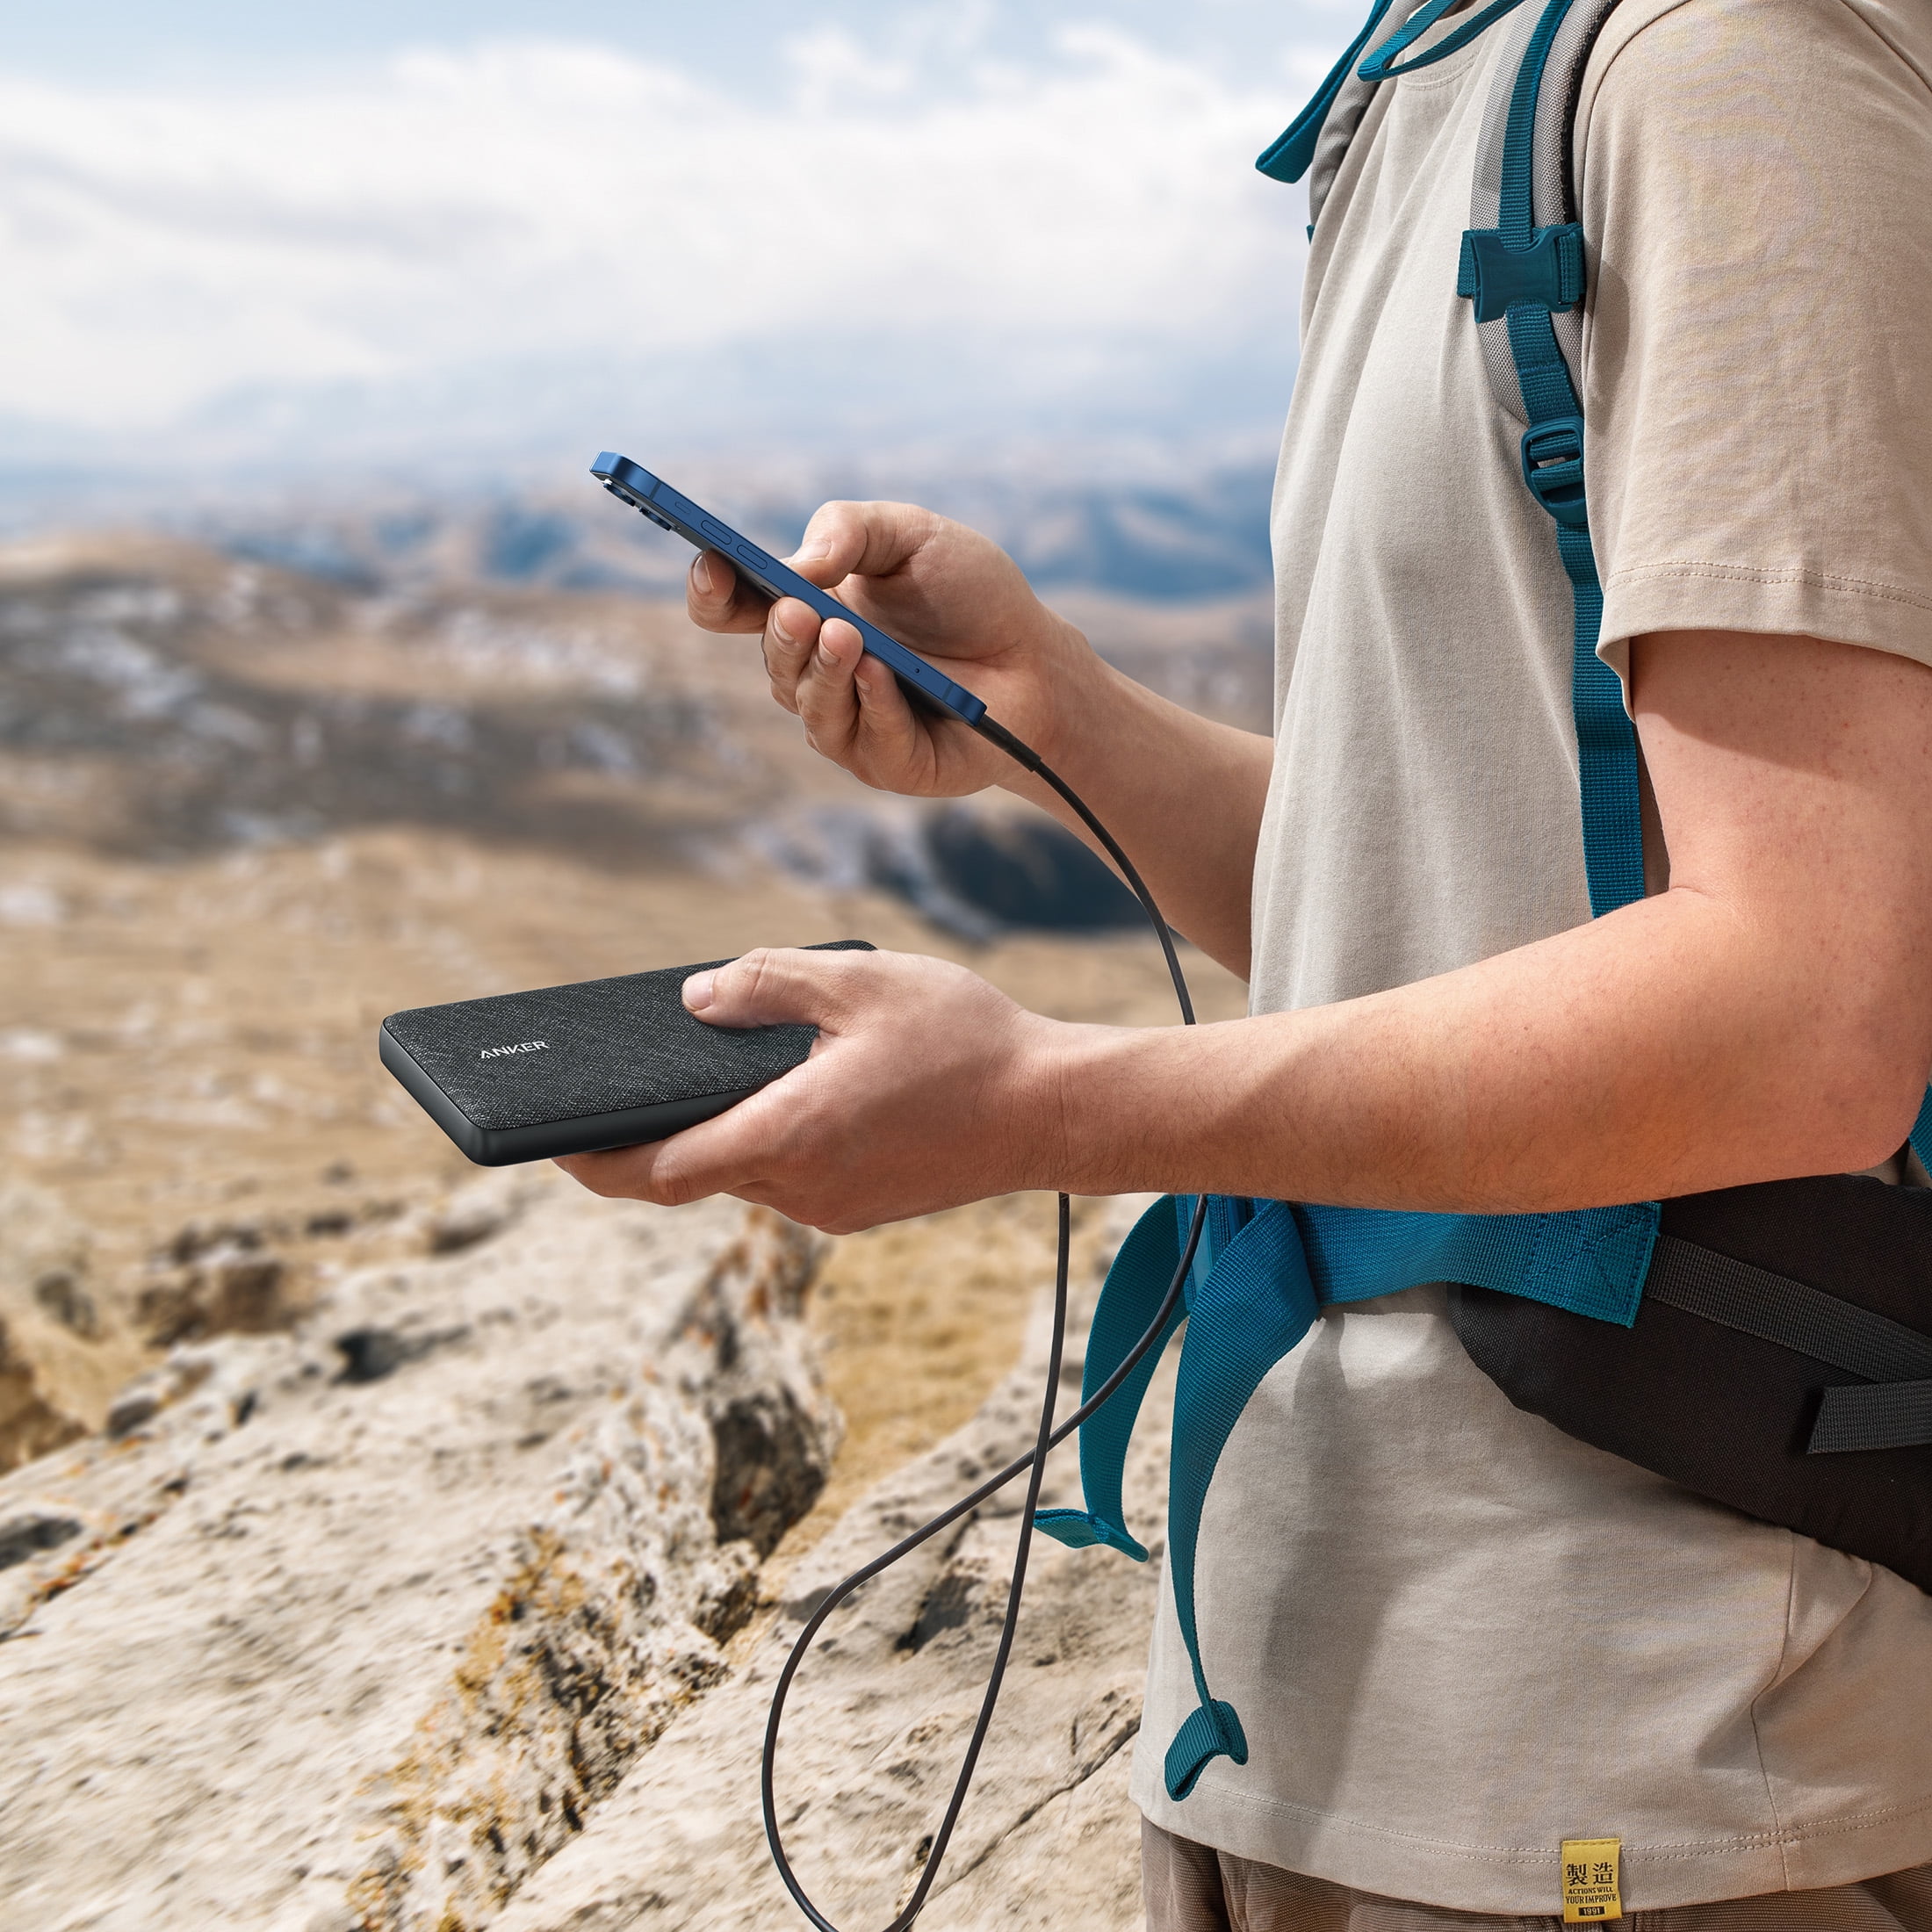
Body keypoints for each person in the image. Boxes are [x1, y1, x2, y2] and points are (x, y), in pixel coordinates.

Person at [559, 0, 1932, 1922]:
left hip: (1634, 1725)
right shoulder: (1435, 77)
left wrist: (1045, 1103)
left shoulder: (1725, 71)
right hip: (1290, 1683)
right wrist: (1066, 721)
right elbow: (1469, 882)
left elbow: (1807, 1008)